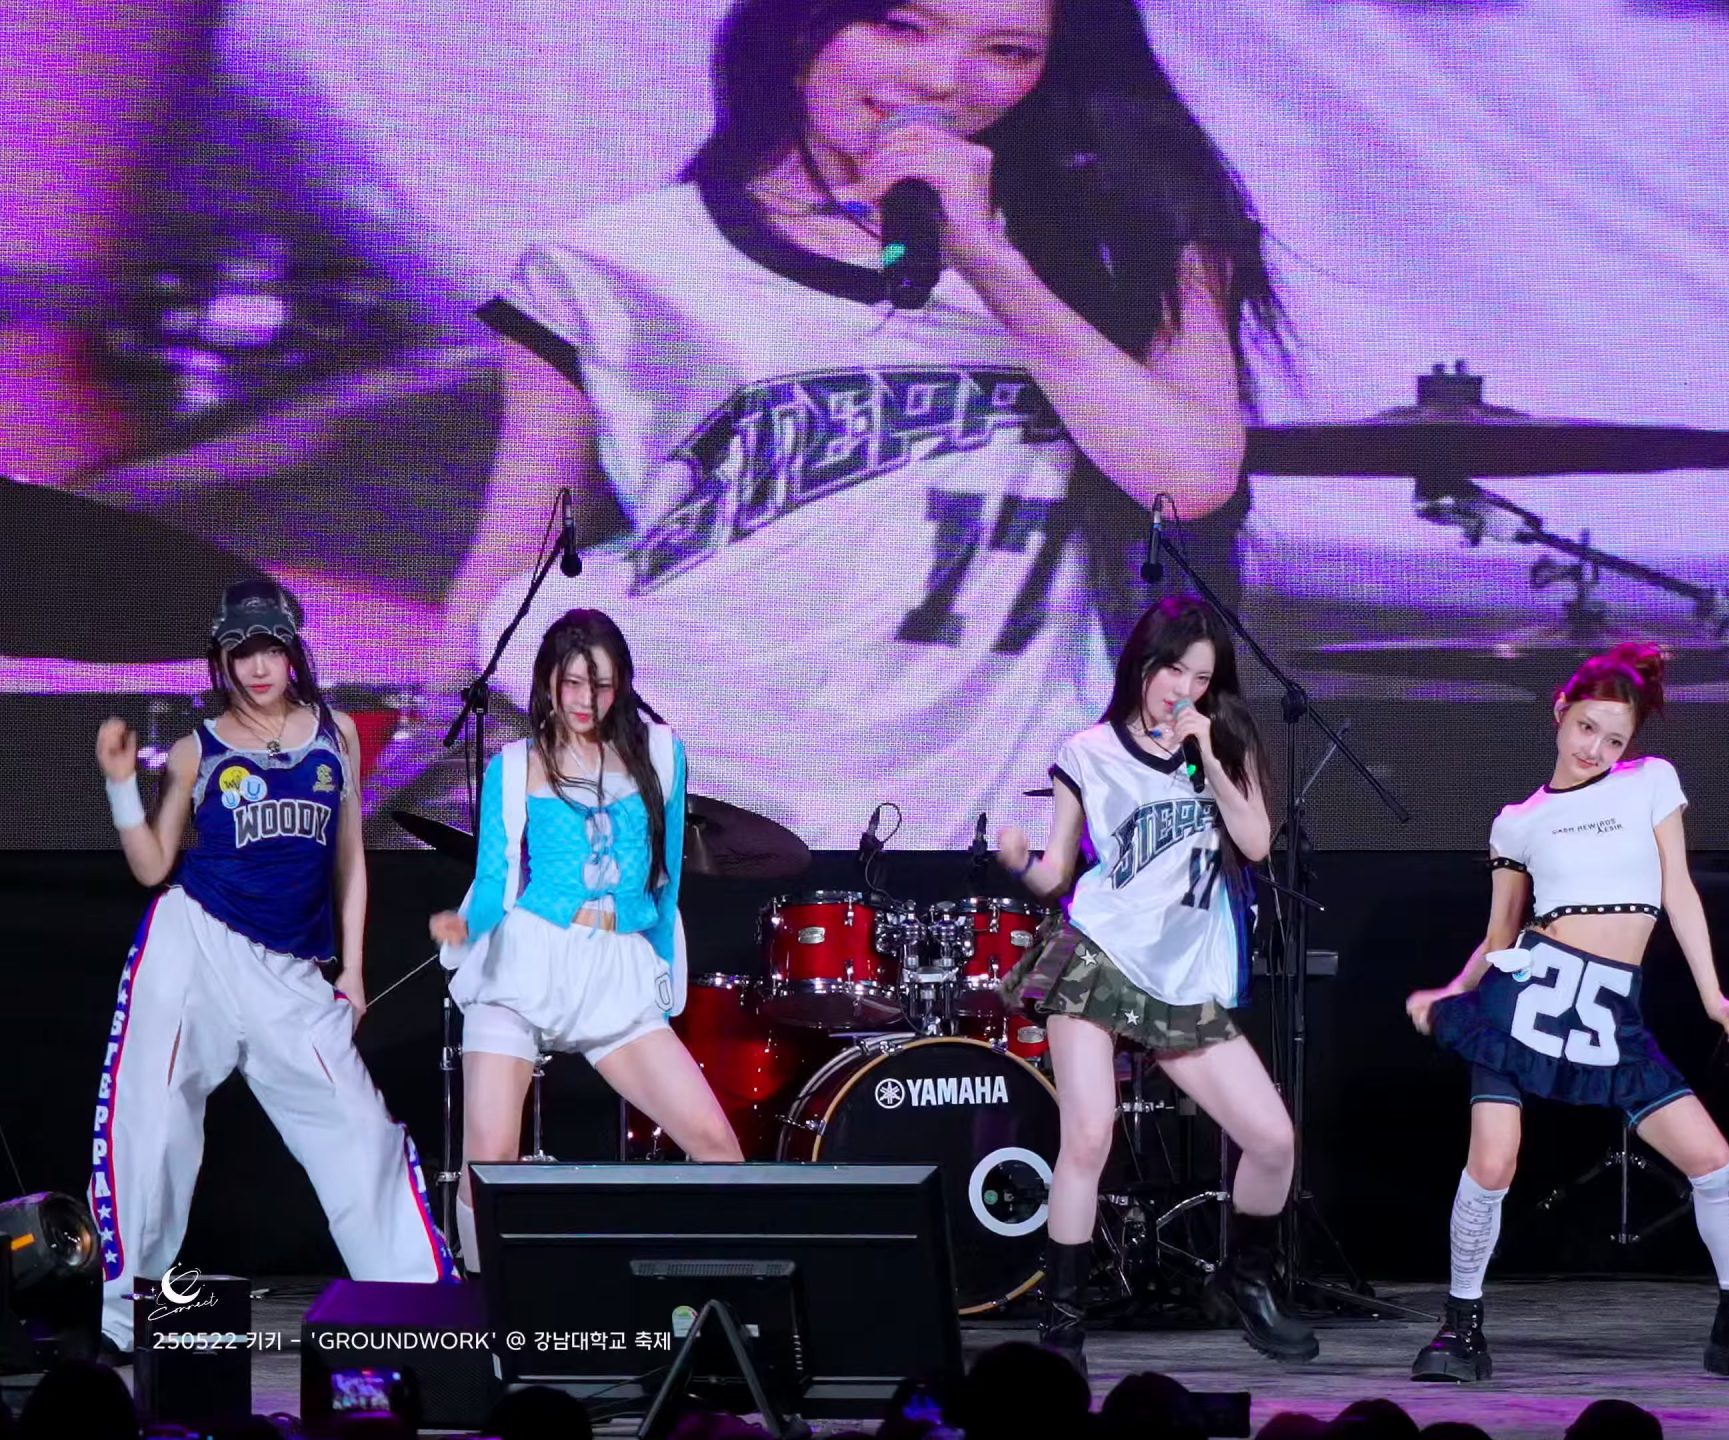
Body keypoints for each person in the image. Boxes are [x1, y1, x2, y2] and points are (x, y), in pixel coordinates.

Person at [443, 0, 1280, 849]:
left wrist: (986, 259)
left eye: (1008, 51)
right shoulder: (617, 263)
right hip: (685, 779)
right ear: (800, 28)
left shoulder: (1124, 244)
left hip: (1000, 802)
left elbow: (1189, 478)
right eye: (900, 27)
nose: (940, 79)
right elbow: (516, 556)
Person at [1401, 642, 1729, 1385]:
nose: (1596, 748)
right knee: (1492, 1162)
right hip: (1527, 996)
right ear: (1560, 712)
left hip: (1606, 1009)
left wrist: (1714, 997)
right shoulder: (1518, 821)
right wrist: (1451, 991)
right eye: (1587, 728)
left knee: (1713, 1161)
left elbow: (1678, 891)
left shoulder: (1650, 781)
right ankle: (1460, 1325)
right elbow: (1501, 935)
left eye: (1614, 739)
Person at [87, 580, 452, 1353]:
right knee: (153, 1128)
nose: (256, 667)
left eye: (269, 648)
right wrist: (121, 786)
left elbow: (349, 859)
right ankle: (123, 1320)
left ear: (293, 651)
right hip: (195, 944)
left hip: (290, 972)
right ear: (220, 660)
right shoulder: (197, 748)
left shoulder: (336, 735)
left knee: (360, 1129)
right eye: (240, 651)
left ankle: (417, 1309)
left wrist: (353, 971)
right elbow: (153, 866)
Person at [994, 594, 1316, 1369]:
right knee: (1088, 1135)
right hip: (1098, 957)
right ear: (1143, 664)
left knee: (1272, 1140)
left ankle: (1245, 1280)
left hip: (1183, 975)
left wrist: (1208, 751)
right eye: (1174, 670)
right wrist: (1018, 863)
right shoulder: (1087, 752)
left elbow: (1255, 843)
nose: (1184, 689)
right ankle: (1062, 1329)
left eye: (1201, 678)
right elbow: (1058, 874)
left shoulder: (1224, 742)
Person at [429, 609, 742, 1269]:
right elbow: (495, 879)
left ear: (620, 683)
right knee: (488, 1162)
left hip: (614, 970)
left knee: (716, 1143)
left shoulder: (661, 753)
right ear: (547, 682)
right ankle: (484, 1302)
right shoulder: (515, 764)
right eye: (571, 683)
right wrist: (464, 928)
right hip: (526, 962)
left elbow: (667, 879)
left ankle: (717, 1292)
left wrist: (661, 969)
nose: (583, 699)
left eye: (599, 684)